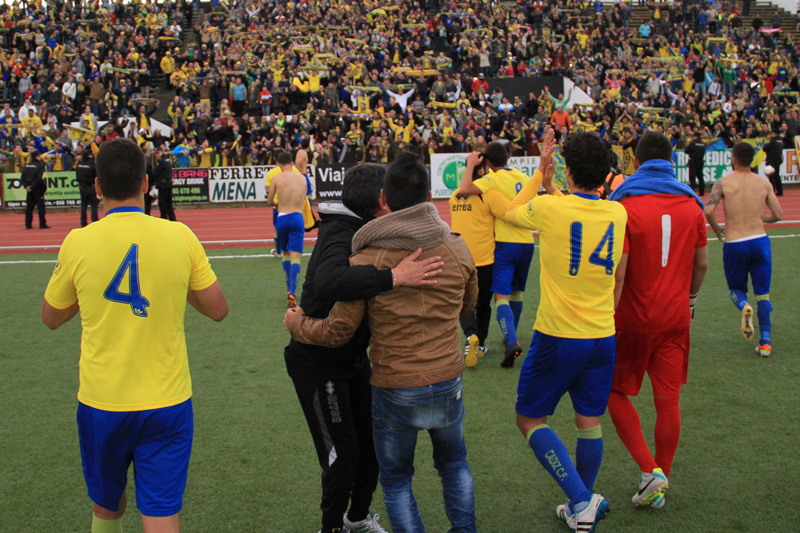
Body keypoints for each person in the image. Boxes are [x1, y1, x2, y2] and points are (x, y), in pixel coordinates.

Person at [41, 137, 228, 533]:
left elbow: (51, 317)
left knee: (107, 505)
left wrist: (84, 294)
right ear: (146, 184)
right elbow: (218, 309)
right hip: (167, 400)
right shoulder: (180, 236)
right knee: (161, 512)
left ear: (96, 187)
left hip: (102, 401)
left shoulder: (78, 241)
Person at [285, 152, 478, 533]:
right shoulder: (453, 246)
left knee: (392, 473)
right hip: (433, 375)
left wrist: (298, 324)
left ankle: (357, 519)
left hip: (388, 378)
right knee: (448, 464)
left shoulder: (372, 251)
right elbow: (468, 305)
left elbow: (340, 330)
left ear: (386, 200)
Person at [505, 130, 626, 532]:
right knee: (589, 420)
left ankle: (580, 499)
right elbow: (572, 206)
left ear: (567, 169)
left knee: (529, 419)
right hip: (602, 334)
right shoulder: (616, 212)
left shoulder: (548, 208)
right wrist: (552, 184)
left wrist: (539, 175)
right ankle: (581, 508)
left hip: (560, 334)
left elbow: (511, 211)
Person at [606, 131, 708, 510]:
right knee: (669, 401)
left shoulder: (624, 204)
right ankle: (659, 478)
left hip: (631, 317)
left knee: (611, 392)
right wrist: (691, 300)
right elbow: (702, 263)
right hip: (675, 317)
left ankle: (651, 471)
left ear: (635, 160)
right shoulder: (692, 203)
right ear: (672, 161)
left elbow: (619, 269)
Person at [458, 141, 534, 367]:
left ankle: (511, 341)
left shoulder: (492, 181)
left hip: (504, 244)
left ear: (488, 163)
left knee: (500, 295)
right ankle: (510, 334)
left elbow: (465, 189)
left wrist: (471, 165)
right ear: (509, 157)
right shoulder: (523, 177)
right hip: (528, 242)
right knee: (517, 292)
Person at [704, 142, 783, 356]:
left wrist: (717, 229)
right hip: (759, 241)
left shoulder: (723, 182)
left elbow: (709, 210)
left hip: (735, 242)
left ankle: (744, 307)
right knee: (763, 295)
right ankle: (765, 341)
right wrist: (759, 218)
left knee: (737, 289)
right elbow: (778, 215)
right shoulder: (763, 182)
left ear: (733, 159)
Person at [449, 160, 510, 367]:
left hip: (460, 258)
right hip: (484, 260)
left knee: (464, 302)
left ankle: (470, 336)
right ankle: (480, 344)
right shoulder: (488, 194)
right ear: (483, 171)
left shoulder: (455, 195)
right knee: (483, 303)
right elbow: (510, 213)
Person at [268, 150, 308, 308]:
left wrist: (279, 205)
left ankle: (287, 287)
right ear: (292, 162)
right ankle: (293, 290)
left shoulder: (277, 178)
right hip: (297, 217)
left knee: (285, 253)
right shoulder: (302, 179)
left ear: (278, 163)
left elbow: (270, 200)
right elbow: (304, 198)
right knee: (296, 256)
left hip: (282, 217)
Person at [21, 149, 49, 229]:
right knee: (41, 207)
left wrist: (27, 187)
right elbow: (39, 179)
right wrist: (32, 187)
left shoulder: (26, 165)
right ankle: (42, 223)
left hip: (29, 189)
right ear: (36, 157)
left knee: (29, 208)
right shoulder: (39, 166)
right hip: (37, 189)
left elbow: (22, 178)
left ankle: (28, 224)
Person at [75, 148, 99, 227]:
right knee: (94, 206)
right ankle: (95, 221)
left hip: (82, 187)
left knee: (84, 206)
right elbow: (97, 176)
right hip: (91, 187)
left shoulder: (78, 164)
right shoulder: (92, 164)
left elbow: (77, 176)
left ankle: (83, 222)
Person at [154, 145, 176, 221]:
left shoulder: (162, 161)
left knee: (163, 204)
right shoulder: (167, 159)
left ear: (161, 152)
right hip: (168, 183)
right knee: (168, 203)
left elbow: (156, 172)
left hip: (163, 184)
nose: (156, 155)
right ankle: (172, 219)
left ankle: (164, 219)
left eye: (157, 153)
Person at [762, 130, 784, 196]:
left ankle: (772, 190)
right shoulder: (780, 141)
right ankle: (780, 191)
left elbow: (765, 148)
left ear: (775, 134)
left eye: (771, 134)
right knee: (777, 175)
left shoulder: (773, 142)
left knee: (772, 176)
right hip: (778, 160)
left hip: (772, 160)